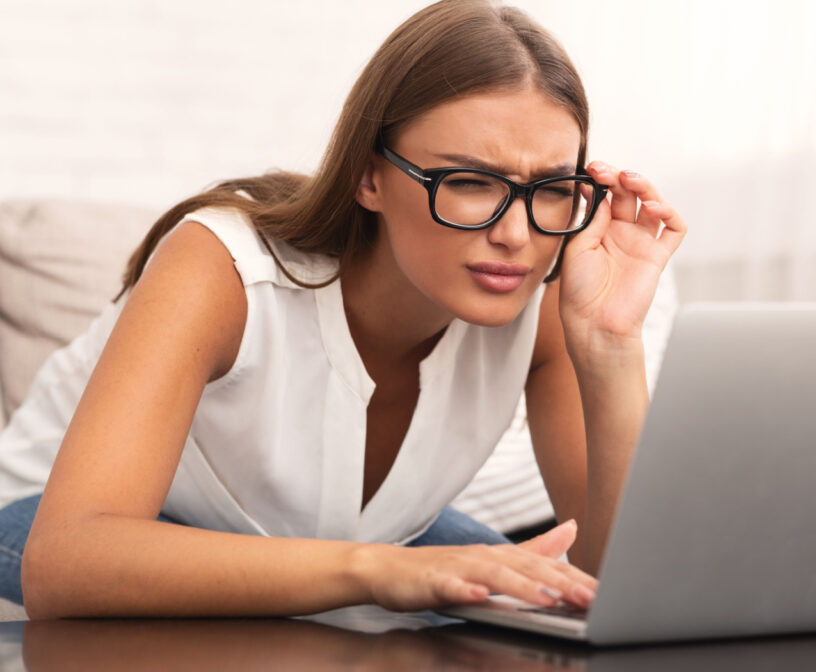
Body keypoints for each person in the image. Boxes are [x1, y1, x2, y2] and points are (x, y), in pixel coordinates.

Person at [0, 0, 685, 618]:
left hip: (342, 535)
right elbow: (67, 559)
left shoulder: (545, 295)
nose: (517, 234)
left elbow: (628, 585)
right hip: (60, 519)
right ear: (369, 175)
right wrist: (382, 570)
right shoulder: (222, 267)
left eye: (552, 188)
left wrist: (610, 344)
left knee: (538, 601)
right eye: (471, 182)